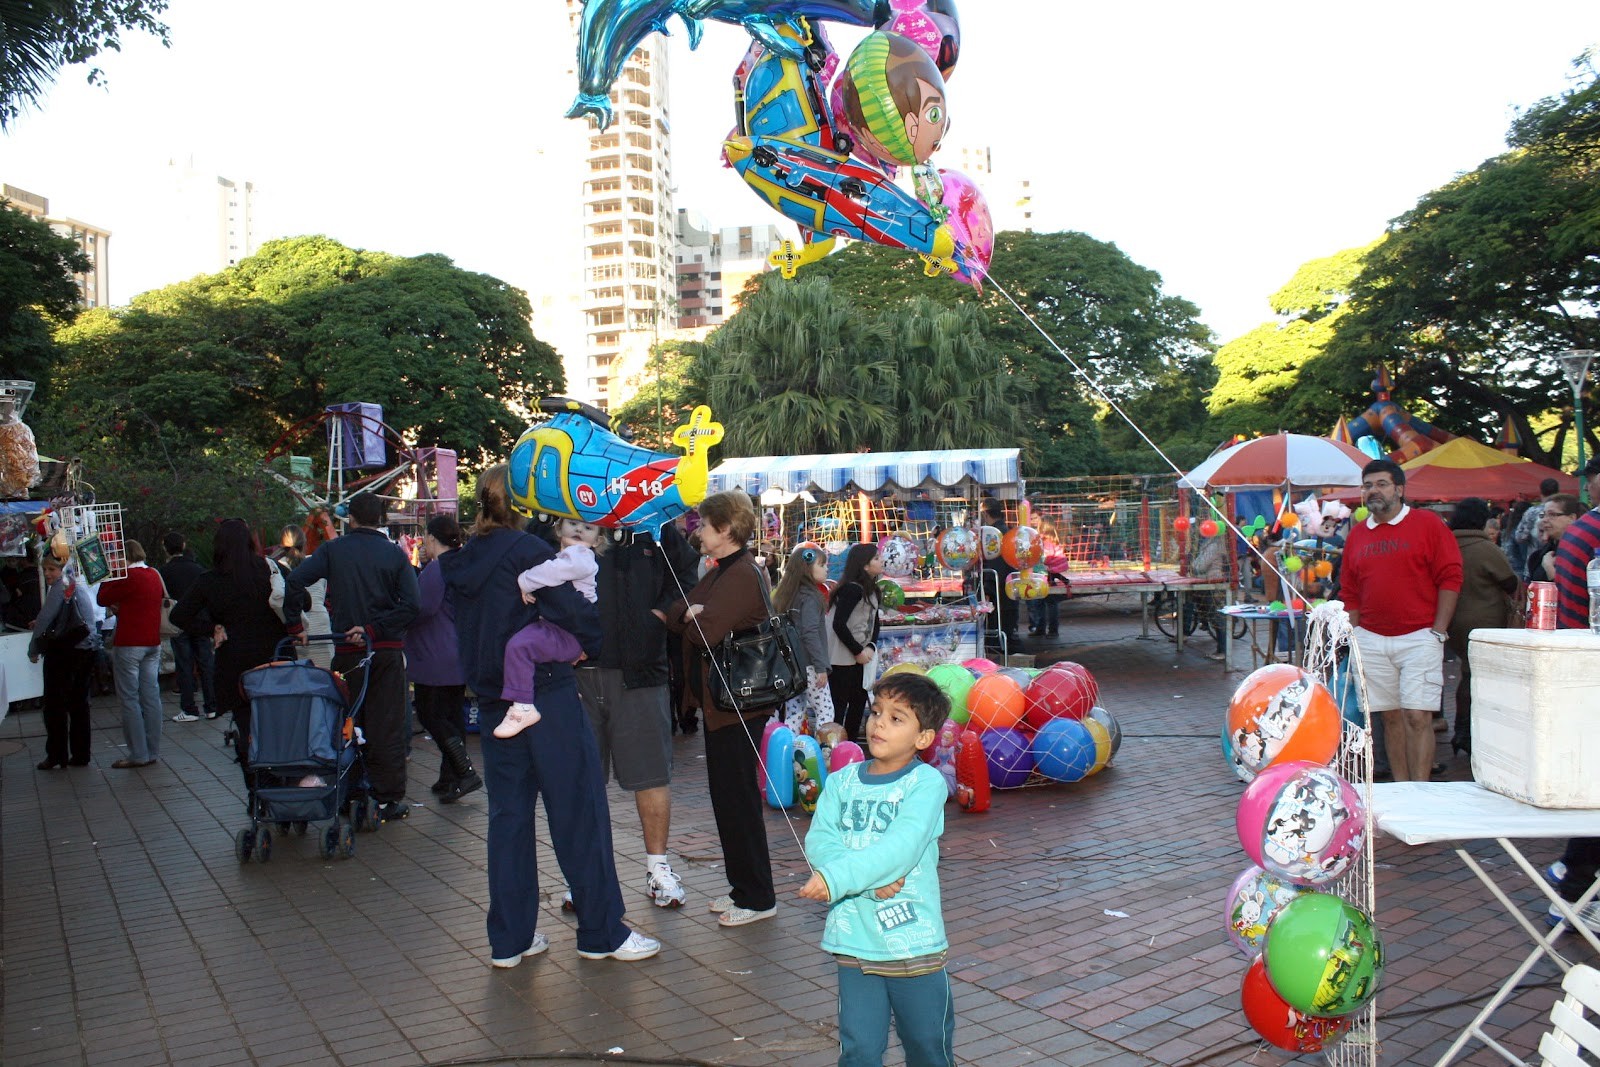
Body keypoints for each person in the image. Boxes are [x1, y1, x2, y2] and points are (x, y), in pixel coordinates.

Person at [441, 464, 659, 966]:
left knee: (509, 819)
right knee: (578, 812)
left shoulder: (461, 558)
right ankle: (602, 932)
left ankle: (510, 940)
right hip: (549, 696)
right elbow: (577, 615)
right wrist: (586, 642)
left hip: (495, 702)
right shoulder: (530, 552)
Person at [797, 673, 955, 1067]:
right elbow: (821, 841)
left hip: (913, 943)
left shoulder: (926, 783)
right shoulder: (841, 781)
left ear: (924, 738)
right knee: (859, 1051)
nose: (879, 722)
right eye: (876, 711)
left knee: (927, 1047)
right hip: (854, 943)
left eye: (897, 718)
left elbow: (901, 848)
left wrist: (838, 880)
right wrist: (865, 885)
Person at [556, 516, 701, 910]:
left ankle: (658, 869)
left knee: (651, 776)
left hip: (640, 671)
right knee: (582, 780)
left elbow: (688, 571)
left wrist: (662, 614)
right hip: (574, 673)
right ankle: (585, 877)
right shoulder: (558, 509)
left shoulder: (652, 520)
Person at [659, 489, 780, 928]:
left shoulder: (742, 573)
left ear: (725, 529)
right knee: (728, 799)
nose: (699, 531)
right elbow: (677, 613)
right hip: (722, 704)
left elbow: (701, 631)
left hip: (738, 704)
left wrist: (691, 615)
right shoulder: (724, 569)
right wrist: (688, 613)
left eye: (705, 525)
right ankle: (743, 889)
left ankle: (758, 896)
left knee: (738, 801)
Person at [284, 493, 420, 824]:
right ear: (381, 519)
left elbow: (295, 579)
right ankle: (387, 798)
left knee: (347, 723)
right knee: (386, 725)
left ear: (352, 519)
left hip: (345, 652)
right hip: (385, 651)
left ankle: (351, 790)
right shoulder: (394, 554)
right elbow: (413, 605)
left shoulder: (333, 550)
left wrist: (294, 624)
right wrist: (374, 629)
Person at [1338, 459, 1462, 782]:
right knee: (1389, 718)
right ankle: (1403, 788)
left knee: (1418, 716)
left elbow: (1450, 577)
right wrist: (1354, 634)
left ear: (1400, 489)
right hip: (1370, 638)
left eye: (1381, 484)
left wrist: (1439, 630)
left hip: (1420, 636)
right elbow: (1349, 589)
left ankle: (1420, 791)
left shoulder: (1428, 525)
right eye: (1367, 485)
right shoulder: (1356, 536)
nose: (1372, 491)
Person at [169, 520, 296, 791]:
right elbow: (301, 600)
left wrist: (211, 628)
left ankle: (259, 789)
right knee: (280, 723)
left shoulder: (209, 581)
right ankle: (287, 780)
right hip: (276, 658)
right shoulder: (271, 570)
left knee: (247, 728)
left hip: (236, 665)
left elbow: (178, 615)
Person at [494, 517, 603, 739]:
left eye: (588, 528)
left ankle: (523, 705)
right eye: (573, 524)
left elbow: (553, 572)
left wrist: (525, 581)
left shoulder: (580, 556)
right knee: (521, 646)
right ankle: (529, 701)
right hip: (560, 629)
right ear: (558, 527)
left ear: (597, 541)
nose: (579, 530)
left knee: (519, 646)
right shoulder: (563, 556)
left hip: (565, 632)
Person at [405, 514, 482, 804]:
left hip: (434, 654)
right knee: (451, 715)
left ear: (432, 538)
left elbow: (421, 608)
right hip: (458, 652)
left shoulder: (437, 570)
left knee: (430, 714)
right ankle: (450, 776)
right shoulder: (464, 564)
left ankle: (463, 772)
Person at [1445, 497, 1517, 757]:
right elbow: (1510, 581)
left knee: (1467, 672)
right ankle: (1467, 732)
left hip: (1452, 620)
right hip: (1484, 621)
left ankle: (1461, 730)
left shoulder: (1446, 545)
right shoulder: (1484, 548)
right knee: (1476, 676)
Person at [97, 540, 168, 769]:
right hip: (152, 641)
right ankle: (152, 750)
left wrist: (107, 576)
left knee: (129, 699)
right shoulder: (153, 574)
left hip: (129, 642)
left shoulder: (127, 576)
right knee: (151, 696)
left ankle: (138, 753)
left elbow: (102, 598)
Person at [28, 553, 100, 768]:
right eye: (45, 569)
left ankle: (57, 754)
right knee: (79, 704)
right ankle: (80, 754)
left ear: (61, 569)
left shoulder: (61, 586)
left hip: (66, 651)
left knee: (55, 705)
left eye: (52, 569)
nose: (47, 574)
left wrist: (33, 649)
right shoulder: (74, 585)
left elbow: (45, 619)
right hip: (86, 648)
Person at [773, 543, 836, 735]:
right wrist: (820, 666)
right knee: (825, 710)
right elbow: (810, 633)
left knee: (795, 711)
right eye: (822, 564)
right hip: (810, 665)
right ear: (808, 569)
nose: (826, 568)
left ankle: (788, 753)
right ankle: (826, 755)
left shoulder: (787, 595)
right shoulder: (811, 597)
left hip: (793, 665)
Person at [827, 542, 883, 743]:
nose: (881, 560)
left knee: (858, 703)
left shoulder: (873, 591)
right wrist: (858, 650)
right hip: (842, 658)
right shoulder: (851, 589)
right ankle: (833, 749)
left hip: (861, 657)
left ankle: (850, 746)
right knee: (839, 706)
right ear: (865, 565)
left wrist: (869, 647)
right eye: (876, 558)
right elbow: (839, 624)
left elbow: (875, 623)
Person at [158, 531, 215, 722]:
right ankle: (212, 705)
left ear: (165, 548)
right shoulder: (198, 569)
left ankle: (189, 708)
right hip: (201, 620)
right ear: (183, 545)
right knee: (206, 663)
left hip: (178, 622)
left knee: (184, 665)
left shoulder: (163, 573)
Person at [273, 523, 332, 670]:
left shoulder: (277, 568)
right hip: (321, 624)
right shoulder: (316, 564)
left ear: (281, 545)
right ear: (304, 543)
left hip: (297, 628)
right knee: (326, 675)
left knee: (301, 677)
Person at [978, 497, 1021, 654]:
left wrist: (987, 587)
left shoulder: (990, 535)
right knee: (1008, 625)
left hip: (997, 586)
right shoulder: (1010, 532)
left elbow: (995, 564)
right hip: (1011, 585)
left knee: (997, 626)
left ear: (986, 514)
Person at [1511, 477, 1562, 580]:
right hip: (1559, 563)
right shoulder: (1564, 511)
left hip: (1534, 565)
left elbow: (1519, 537)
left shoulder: (1532, 512)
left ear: (1541, 492)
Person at [1527, 493, 1580, 583]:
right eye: (1543, 515)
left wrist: (1550, 570)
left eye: (1552, 515)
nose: (1545, 520)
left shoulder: (1580, 551)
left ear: (1571, 518)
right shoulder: (1538, 555)